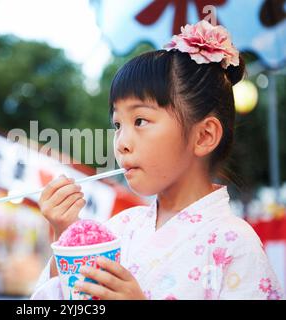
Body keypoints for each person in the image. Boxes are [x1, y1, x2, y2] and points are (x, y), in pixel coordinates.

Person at [31, 20, 284, 300]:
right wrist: (67, 239)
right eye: (118, 125)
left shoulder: (235, 244)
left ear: (203, 136)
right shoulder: (119, 229)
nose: (122, 144)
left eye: (140, 120)